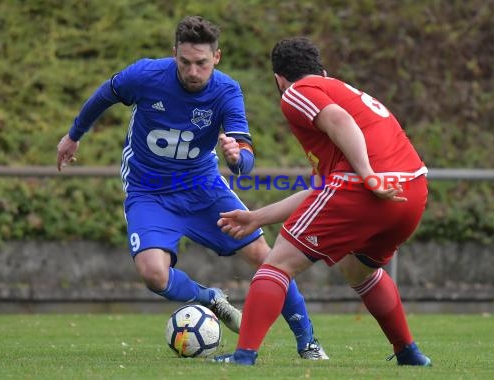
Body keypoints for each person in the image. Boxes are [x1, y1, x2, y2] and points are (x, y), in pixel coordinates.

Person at [56, 17, 328, 360]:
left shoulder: (226, 90)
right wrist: (73, 136)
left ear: (217, 57)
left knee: (266, 257)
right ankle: (210, 297)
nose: (193, 71)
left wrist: (236, 158)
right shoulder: (145, 75)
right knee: (154, 275)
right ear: (174, 55)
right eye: (184, 62)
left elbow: (245, 157)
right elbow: (104, 95)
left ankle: (308, 341)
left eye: (201, 63)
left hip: (202, 186)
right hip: (148, 190)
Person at [214, 37, 432, 366]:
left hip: (366, 186)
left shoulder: (297, 91)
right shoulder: (340, 90)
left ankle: (243, 358)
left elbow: (341, 122)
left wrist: (368, 174)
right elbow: (322, 192)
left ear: (279, 79)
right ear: (324, 71)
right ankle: (410, 354)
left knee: (276, 265)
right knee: (358, 270)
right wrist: (258, 217)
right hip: (411, 191)